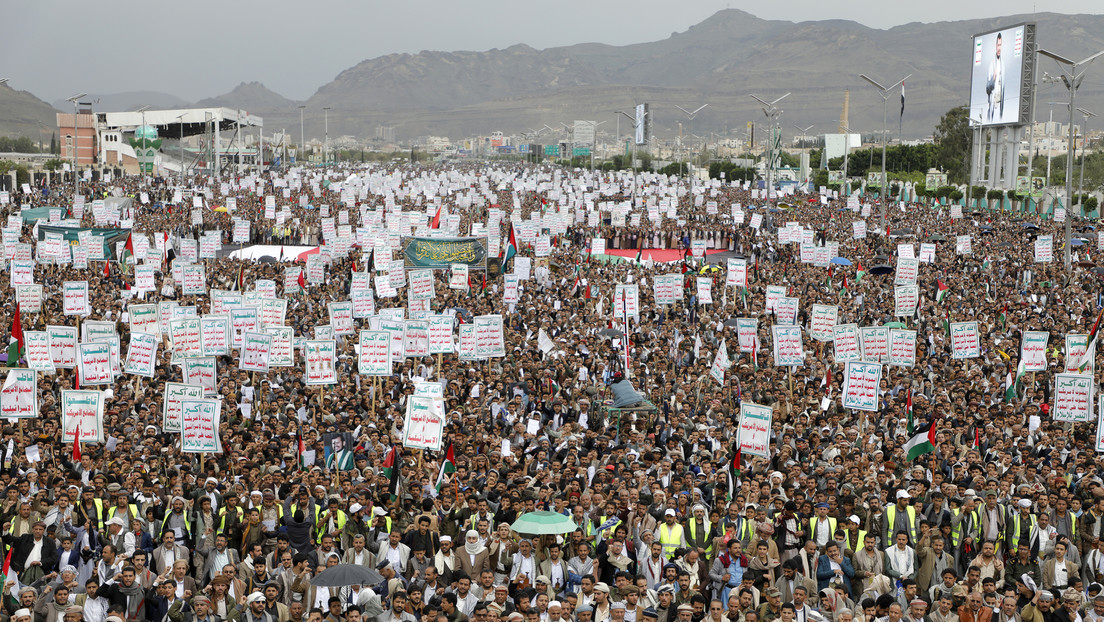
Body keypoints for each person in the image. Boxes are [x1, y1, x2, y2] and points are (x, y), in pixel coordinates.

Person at [985, 31, 1005, 122]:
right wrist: (993, 78)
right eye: (998, 45)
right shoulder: (991, 64)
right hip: (992, 106)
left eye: (1000, 45)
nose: (999, 48)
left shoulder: (1003, 64)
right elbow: (987, 88)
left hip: (1001, 109)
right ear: (995, 46)